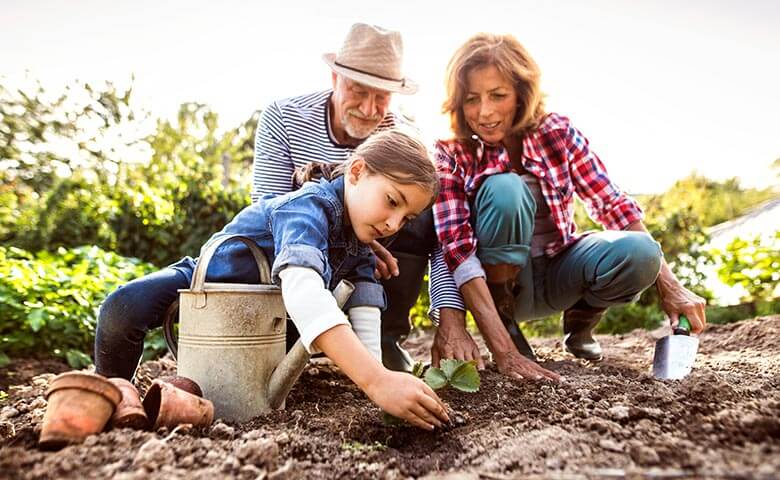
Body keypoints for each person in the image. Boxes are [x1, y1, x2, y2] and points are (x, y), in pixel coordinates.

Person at [95, 130, 450, 430]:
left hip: (263, 320)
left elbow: (365, 305)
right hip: (208, 283)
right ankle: (112, 393)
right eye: (392, 201)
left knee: (284, 349)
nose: (392, 224)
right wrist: (376, 381)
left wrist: (376, 373)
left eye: (406, 218)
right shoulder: (308, 208)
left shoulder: (359, 239)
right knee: (123, 306)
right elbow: (303, 288)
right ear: (356, 171)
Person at [429, 33, 707, 381]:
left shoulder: (557, 132)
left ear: (520, 93)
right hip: (506, 288)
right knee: (505, 189)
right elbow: (456, 251)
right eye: (472, 99)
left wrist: (671, 286)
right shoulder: (450, 152)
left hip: (562, 269)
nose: (484, 112)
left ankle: (581, 321)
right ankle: (507, 326)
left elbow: (611, 204)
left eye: (498, 95)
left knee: (643, 253)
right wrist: (506, 353)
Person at [252, 23, 439, 372]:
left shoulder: (400, 135)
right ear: (335, 79)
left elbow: (432, 234)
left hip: (365, 249)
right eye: (358, 90)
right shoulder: (284, 117)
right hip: (300, 246)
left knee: (418, 208)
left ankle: (384, 336)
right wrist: (358, 244)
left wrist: (447, 318)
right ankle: (289, 331)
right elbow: (269, 206)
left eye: (381, 97)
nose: (369, 109)